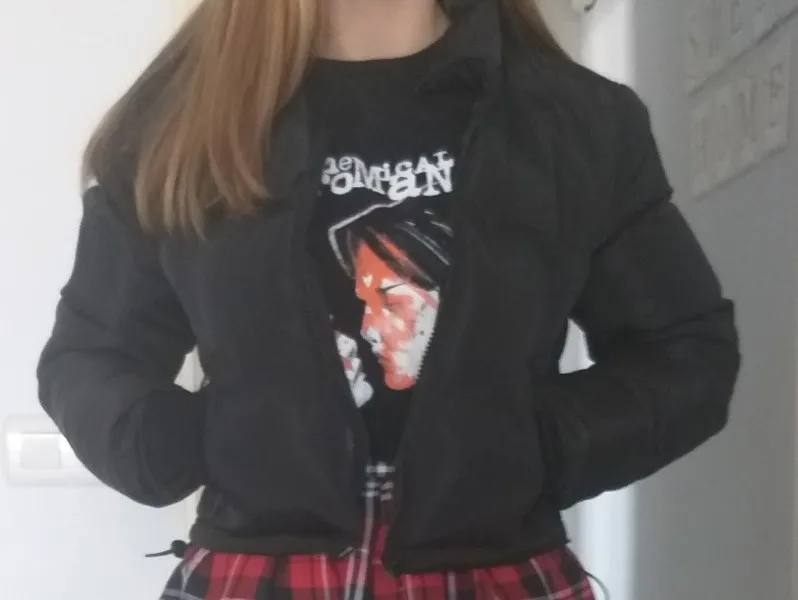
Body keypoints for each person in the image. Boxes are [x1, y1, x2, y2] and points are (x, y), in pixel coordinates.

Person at [37, 0, 742, 598]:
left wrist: (536, 446)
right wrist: (200, 443)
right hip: (253, 573)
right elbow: (90, 357)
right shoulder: (173, 124)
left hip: (497, 569)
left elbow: (687, 353)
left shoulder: (576, 121)